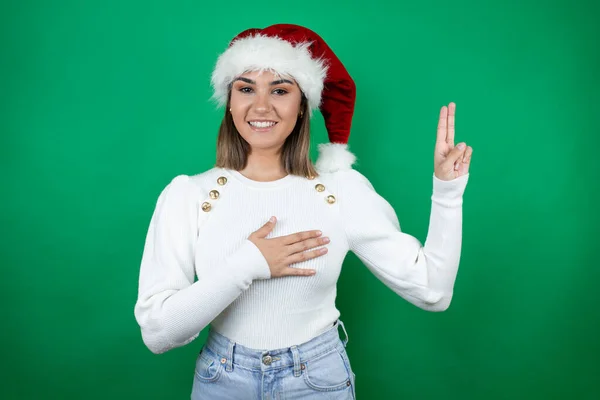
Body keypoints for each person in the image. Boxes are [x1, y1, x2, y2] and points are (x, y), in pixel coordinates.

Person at [133, 23, 472, 400]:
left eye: (280, 90)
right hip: (222, 381)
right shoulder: (190, 195)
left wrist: (447, 191)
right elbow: (158, 333)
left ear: (302, 106)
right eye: (246, 89)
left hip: (316, 382)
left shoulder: (340, 192)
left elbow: (433, 291)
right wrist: (249, 264)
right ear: (229, 101)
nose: (261, 106)